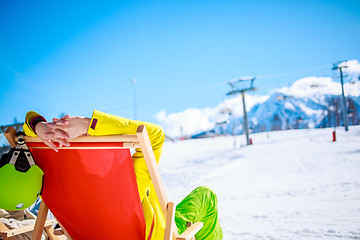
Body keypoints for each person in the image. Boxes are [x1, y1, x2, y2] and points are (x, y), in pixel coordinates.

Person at [23, 110, 223, 240]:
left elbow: (28, 123)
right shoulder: (124, 186)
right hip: (156, 233)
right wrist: (88, 124)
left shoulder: (57, 182)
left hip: (87, 232)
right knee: (206, 195)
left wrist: (40, 128)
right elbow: (155, 135)